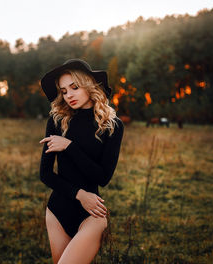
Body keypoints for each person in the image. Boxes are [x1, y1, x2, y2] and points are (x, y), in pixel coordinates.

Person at [39, 58, 124, 263]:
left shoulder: (112, 125)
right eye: (64, 91)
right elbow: (46, 174)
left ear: (88, 84)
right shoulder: (57, 120)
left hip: (91, 214)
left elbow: (103, 177)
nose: (69, 95)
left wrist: (69, 146)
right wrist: (79, 194)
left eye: (74, 87)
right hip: (57, 211)